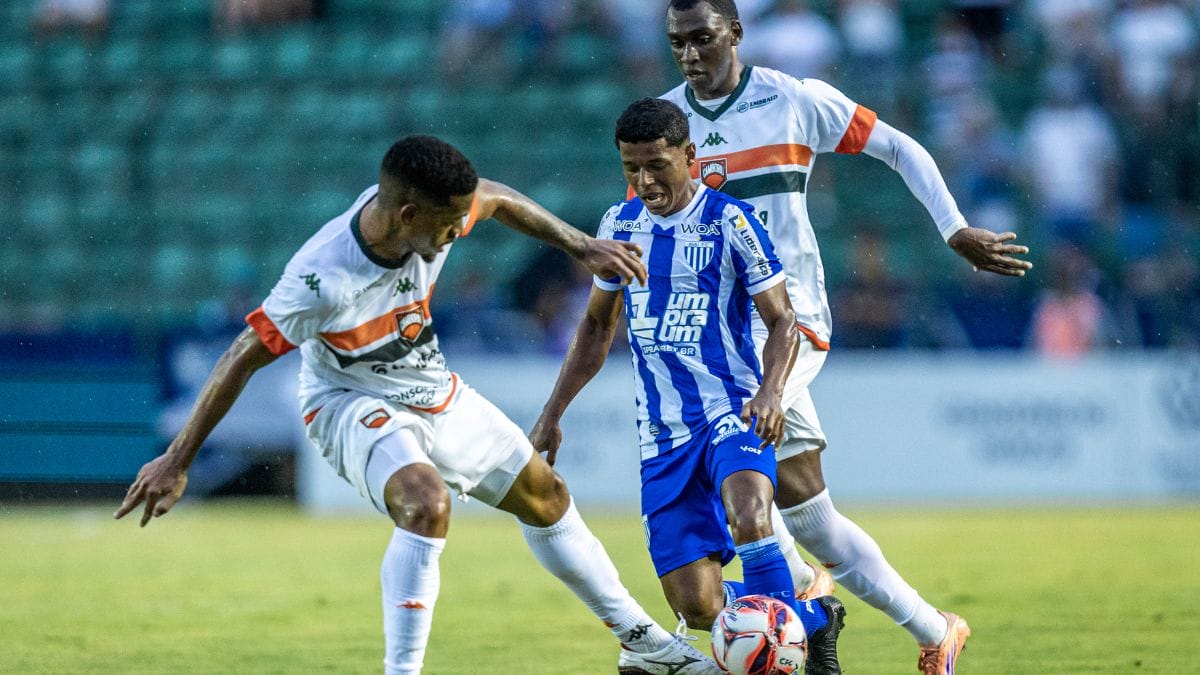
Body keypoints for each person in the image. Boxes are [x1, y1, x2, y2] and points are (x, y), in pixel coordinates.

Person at [114, 135, 723, 675]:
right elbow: (242, 355)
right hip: (347, 400)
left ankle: (642, 643)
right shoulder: (322, 278)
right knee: (426, 504)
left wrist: (581, 245)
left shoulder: (435, 210)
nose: (459, 231)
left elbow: (496, 198)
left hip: (430, 389)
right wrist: (177, 458)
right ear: (408, 214)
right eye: (449, 223)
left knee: (547, 496)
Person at [657, 1, 1035, 672]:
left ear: (736, 32)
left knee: (731, 451)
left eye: (702, 38)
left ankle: (795, 599)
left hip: (789, 319)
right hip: (720, 335)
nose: (689, 54)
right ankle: (933, 629)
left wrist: (953, 228)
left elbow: (899, 146)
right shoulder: (665, 123)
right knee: (809, 515)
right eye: (677, 42)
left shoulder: (793, 101)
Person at [531, 98, 846, 675]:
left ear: (690, 155)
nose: (645, 181)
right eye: (631, 168)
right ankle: (813, 616)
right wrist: (553, 413)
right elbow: (597, 325)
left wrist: (771, 392)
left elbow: (783, 320)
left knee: (750, 515)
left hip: (733, 408)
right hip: (664, 434)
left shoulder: (730, 220)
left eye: (657, 165)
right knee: (697, 607)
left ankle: (782, 659)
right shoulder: (618, 227)